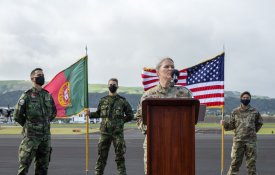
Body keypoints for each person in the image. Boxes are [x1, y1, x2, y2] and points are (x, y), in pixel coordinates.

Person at [136, 58, 193, 174]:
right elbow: (139, 119)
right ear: (158, 72)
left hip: (178, 143)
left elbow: (191, 116)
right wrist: (152, 129)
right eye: (166, 67)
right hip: (154, 143)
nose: (170, 69)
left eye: (172, 66)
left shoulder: (184, 93)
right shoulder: (148, 95)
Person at [13, 68, 56, 175]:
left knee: (43, 169)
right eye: (39, 75)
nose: (42, 77)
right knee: (24, 167)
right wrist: (29, 125)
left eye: (42, 75)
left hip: (45, 138)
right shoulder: (26, 96)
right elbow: (17, 115)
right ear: (32, 78)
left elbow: (53, 113)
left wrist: (43, 123)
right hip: (31, 138)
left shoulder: (47, 95)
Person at [90, 78, 134, 175]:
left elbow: (130, 115)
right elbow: (98, 113)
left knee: (120, 157)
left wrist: (121, 121)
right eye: (110, 84)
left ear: (117, 86)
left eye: (114, 84)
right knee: (101, 157)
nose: (112, 86)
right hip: (104, 133)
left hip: (117, 134)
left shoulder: (123, 101)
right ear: (108, 86)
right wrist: (89, 114)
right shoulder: (103, 100)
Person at [220, 91, 263, 175]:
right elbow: (231, 126)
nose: (245, 99)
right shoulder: (235, 111)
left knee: (251, 165)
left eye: (247, 98)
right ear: (241, 99)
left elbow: (259, 123)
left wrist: (252, 131)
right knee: (235, 163)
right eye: (244, 98)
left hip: (251, 142)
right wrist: (224, 123)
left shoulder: (255, 111)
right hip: (238, 141)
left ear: (250, 99)